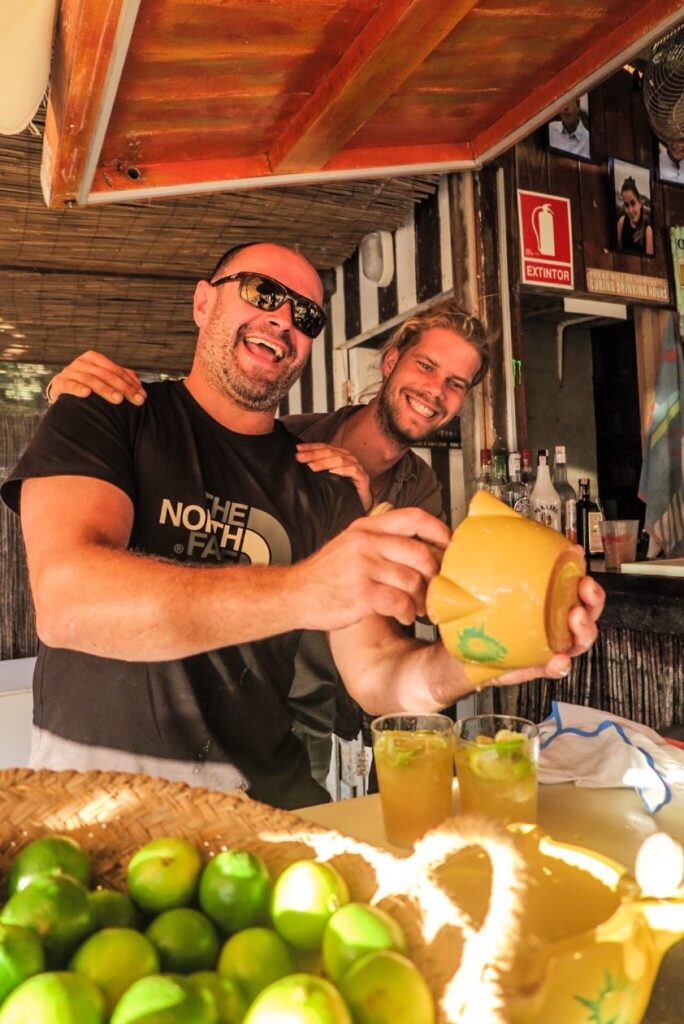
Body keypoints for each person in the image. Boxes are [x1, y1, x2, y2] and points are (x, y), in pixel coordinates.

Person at [2, 242, 604, 811]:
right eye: (262, 292)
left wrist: (481, 658)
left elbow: (377, 672)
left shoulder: (327, 482)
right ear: (204, 302)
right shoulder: (105, 412)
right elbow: (68, 601)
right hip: (102, 795)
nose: (284, 319)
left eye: (306, 315)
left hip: (263, 799)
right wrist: (307, 587)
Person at [44, 299, 489, 786]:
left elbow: (409, 613)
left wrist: (486, 643)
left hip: (314, 707)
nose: (436, 390)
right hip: (236, 698)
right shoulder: (290, 441)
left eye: (456, 383)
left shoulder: (419, 489)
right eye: (426, 366)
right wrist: (75, 406)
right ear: (391, 361)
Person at [616, 177, 654, 256]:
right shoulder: (621, 222)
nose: (630, 210)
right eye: (626, 205)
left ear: (639, 202)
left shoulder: (648, 231)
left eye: (633, 203)